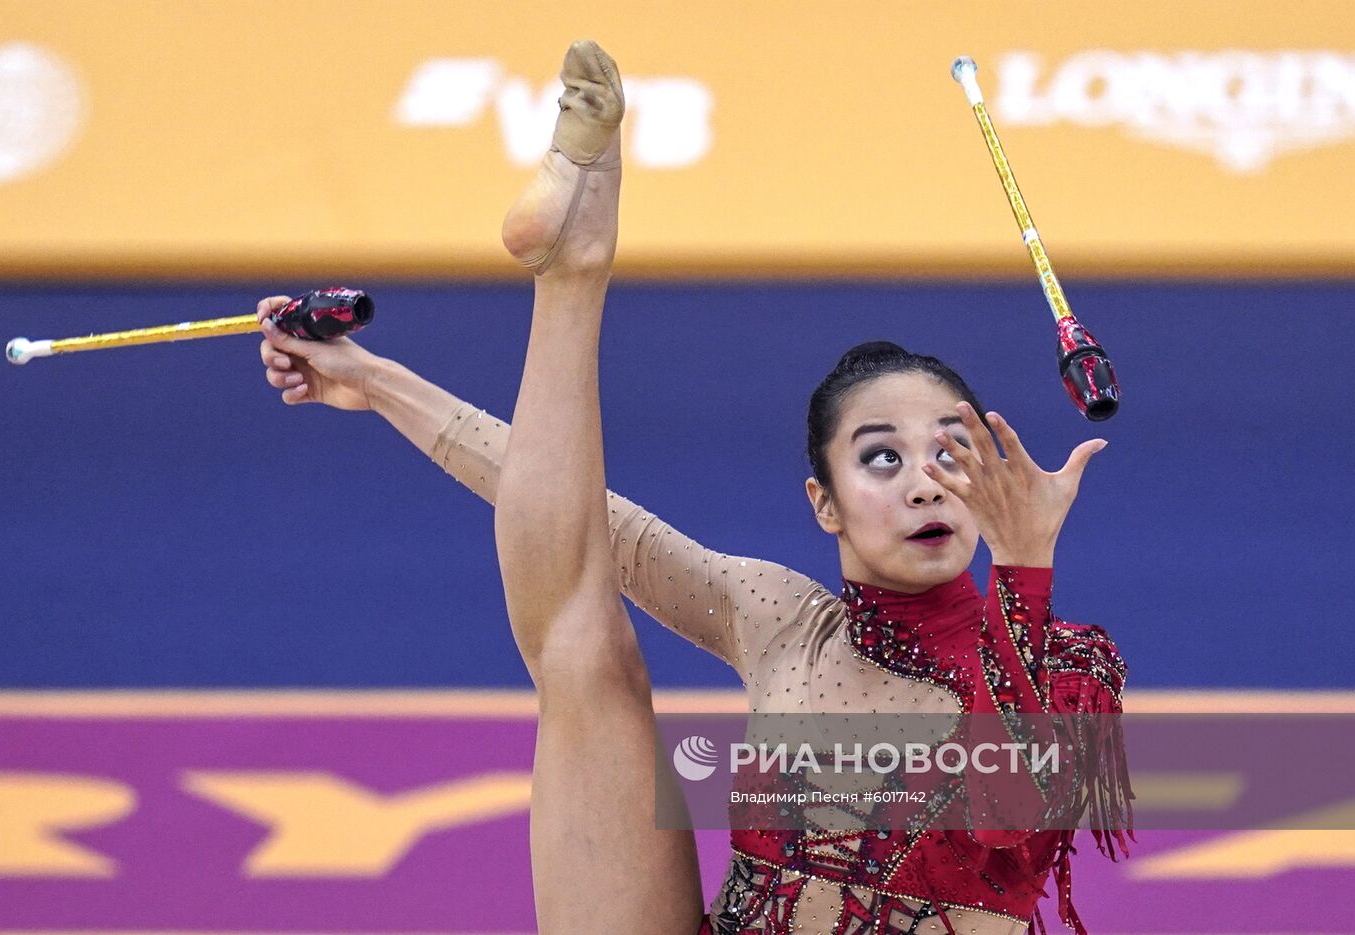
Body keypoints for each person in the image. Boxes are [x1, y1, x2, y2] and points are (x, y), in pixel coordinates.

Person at [255, 40, 1132, 935]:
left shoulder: (1070, 667)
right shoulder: (784, 620)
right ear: (822, 502)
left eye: (950, 453)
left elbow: (1008, 821)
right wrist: (377, 382)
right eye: (880, 457)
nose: (922, 485)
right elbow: (587, 518)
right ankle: (573, 268)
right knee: (579, 634)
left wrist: (1026, 566)